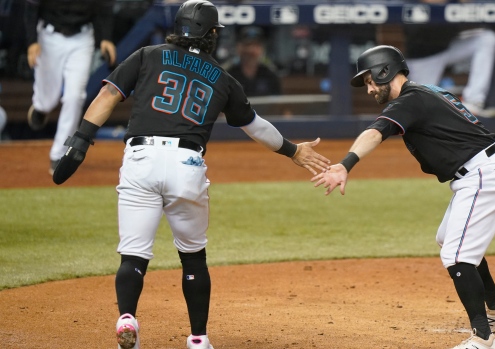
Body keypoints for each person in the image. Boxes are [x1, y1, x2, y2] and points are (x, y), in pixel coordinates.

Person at [51, 1, 330, 349]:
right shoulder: (224, 78)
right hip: (187, 166)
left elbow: (109, 94)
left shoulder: (148, 55)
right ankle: (198, 339)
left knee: (134, 255)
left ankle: (127, 317)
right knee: (193, 256)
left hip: (141, 157)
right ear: (210, 35)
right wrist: (293, 150)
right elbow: (255, 127)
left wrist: (80, 141)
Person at [312, 45, 495, 349]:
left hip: (484, 172)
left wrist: (345, 164)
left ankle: (483, 339)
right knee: (450, 239)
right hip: (488, 166)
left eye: (370, 80)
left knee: (456, 255)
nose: (369, 89)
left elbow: (375, 132)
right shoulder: (424, 92)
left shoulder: (410, 99)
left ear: (385, 72)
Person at [24, 0, 117, 175]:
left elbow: (104, 7)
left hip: (82, 38)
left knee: (75, 96)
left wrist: (106, 37)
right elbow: (30, 7)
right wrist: (31, 42)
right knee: (48, 99)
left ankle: (59, 154)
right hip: (49, 36)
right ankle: (41, 108)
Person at [404, 18, 495, 118]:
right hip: (423, 57)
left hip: (447, 47)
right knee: (423, 110)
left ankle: (474, 101)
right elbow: (431, 1)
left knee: (486, 39)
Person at [226, 26, 282, 97]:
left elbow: (277, 103)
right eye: (247, 45)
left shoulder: (270, 75)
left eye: (256, 45)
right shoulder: (228, 75)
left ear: (262, 49)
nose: (251, 50)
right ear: (238, 48)